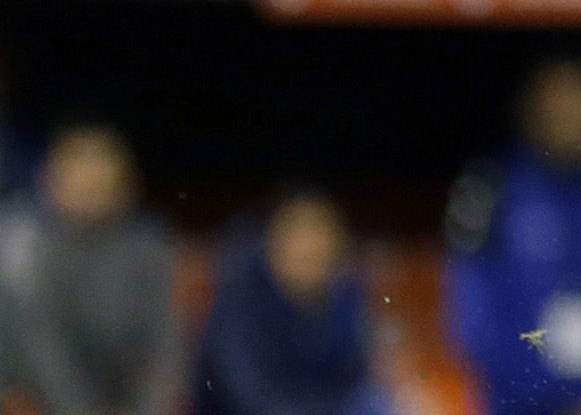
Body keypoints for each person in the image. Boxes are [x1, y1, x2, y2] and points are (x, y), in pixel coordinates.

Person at [442, 60, 581, 415]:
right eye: (561, 109)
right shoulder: (487, 188)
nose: (574, 120)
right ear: (532, 112)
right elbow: (474, 318)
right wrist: (553, 399)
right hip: (521, 407)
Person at [0, 125, 184, 415]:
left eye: (101, 185)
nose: (90, 193)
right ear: (50, 181)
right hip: (34, 400)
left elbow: (166, 346)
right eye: (79, 184)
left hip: (122, 405)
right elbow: (43, 352)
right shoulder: (23, 244)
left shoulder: (150, 247)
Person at [194, 191, 383, 415]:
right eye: (300, 239)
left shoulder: (347, 299)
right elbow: (249, 396)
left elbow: (358, 381)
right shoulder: (237, 303)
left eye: (321, 241)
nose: (312, 249)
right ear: (275, 240)